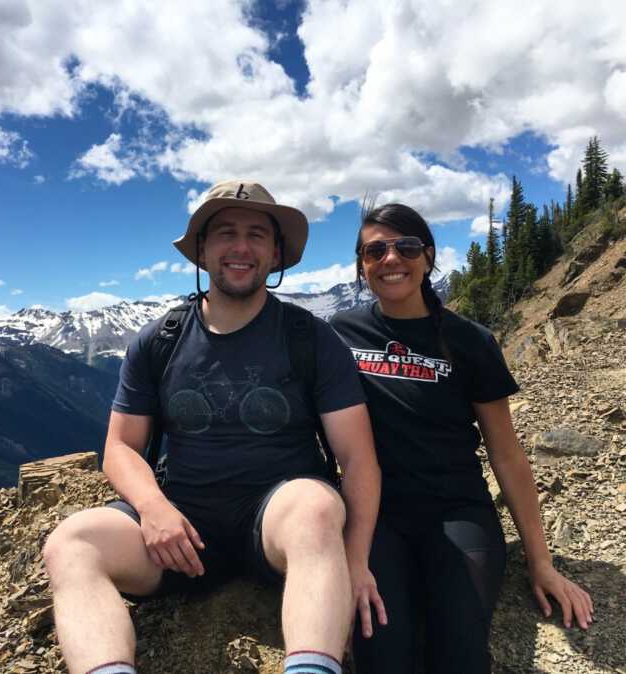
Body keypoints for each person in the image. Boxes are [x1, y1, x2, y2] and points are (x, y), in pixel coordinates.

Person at [44, 180, 383, 674]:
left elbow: (357, 458)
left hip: (277, 522)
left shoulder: (309, 338)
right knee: (72, 542)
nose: (240, 247)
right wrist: (153, 507)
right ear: (202, 250)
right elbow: (119, 447)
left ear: (275, 253)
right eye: (225, 233)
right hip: (180, 528)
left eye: (256, 235)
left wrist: (354, 562)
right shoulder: (159, 340)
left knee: (314, 507)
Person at [330, 203, 594, 674]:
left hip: (457, 511)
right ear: (362, 265)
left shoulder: (469, 340)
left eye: (406, 246)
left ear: (428, 258)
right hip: (376, 517)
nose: (391, 259)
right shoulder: (340, 333)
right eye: (375, 251)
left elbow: (506, 454)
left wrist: (541, 562)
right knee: (383, 651)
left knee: (460, 651)